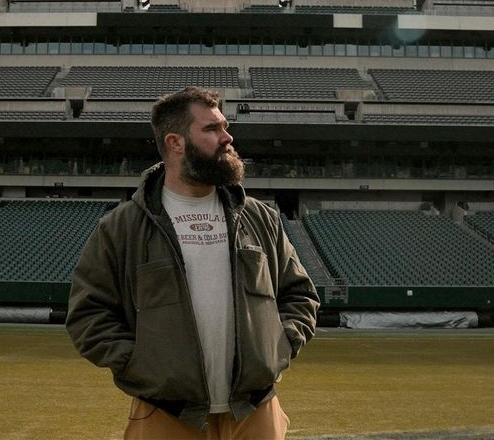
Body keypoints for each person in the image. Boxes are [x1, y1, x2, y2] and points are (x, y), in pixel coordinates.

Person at [67, 87, 319, 439]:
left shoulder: (261, 218)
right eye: (212, 129)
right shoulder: (122, 227)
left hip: (254, 411)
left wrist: (280, 345)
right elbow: (88, 313)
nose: (227, 137)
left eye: (225, 126)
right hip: (165, 413)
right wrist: (139, 365)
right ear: (175, 142)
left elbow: (299, 295)